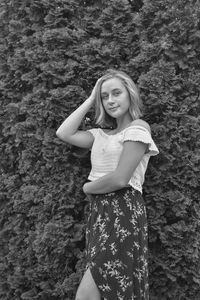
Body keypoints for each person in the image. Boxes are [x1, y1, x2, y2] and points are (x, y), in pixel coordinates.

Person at [56, 69, 159, 300]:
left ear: (129, 94)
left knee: (88, 294)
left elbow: (121, 178)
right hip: (100, 213)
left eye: (116, 93)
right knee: (104, 291)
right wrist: (91, 99)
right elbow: (63, 132)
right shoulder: (100, 135)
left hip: (124, 210)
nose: (110, 100)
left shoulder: (139, 128)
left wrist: (87, 188)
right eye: (105, 96)